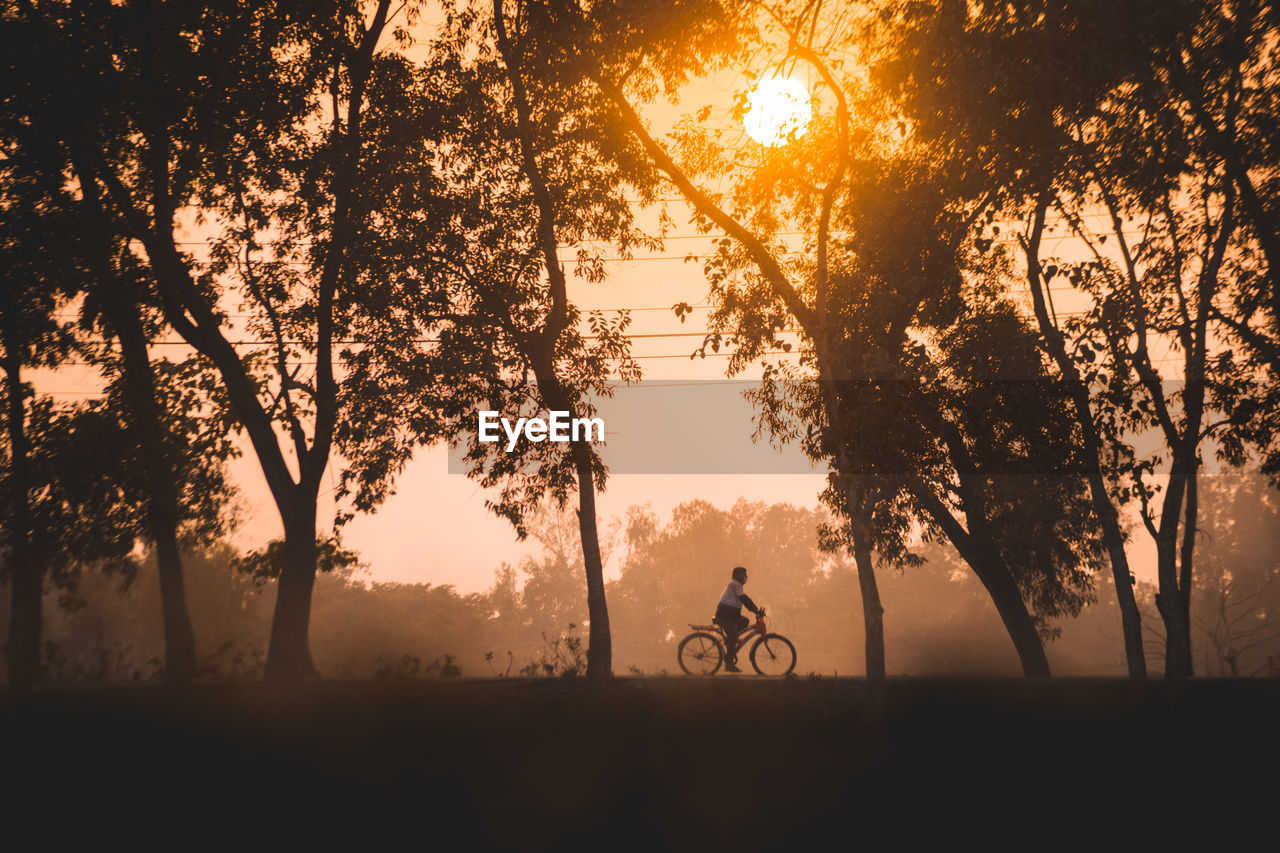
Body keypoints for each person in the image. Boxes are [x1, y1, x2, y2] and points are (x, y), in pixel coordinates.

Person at [713, 566, 763, 672]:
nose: (746, 577)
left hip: (730, 616)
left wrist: (755, 610)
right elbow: (744, 599)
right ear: (737, 575)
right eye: (744, 574)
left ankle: (731, 641)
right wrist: (755, 610)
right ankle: (729, 663)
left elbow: (744, 599)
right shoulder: (735, 584)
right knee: (733, 636)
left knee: (745, 621)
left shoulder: (737, 585)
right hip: (724, 616)